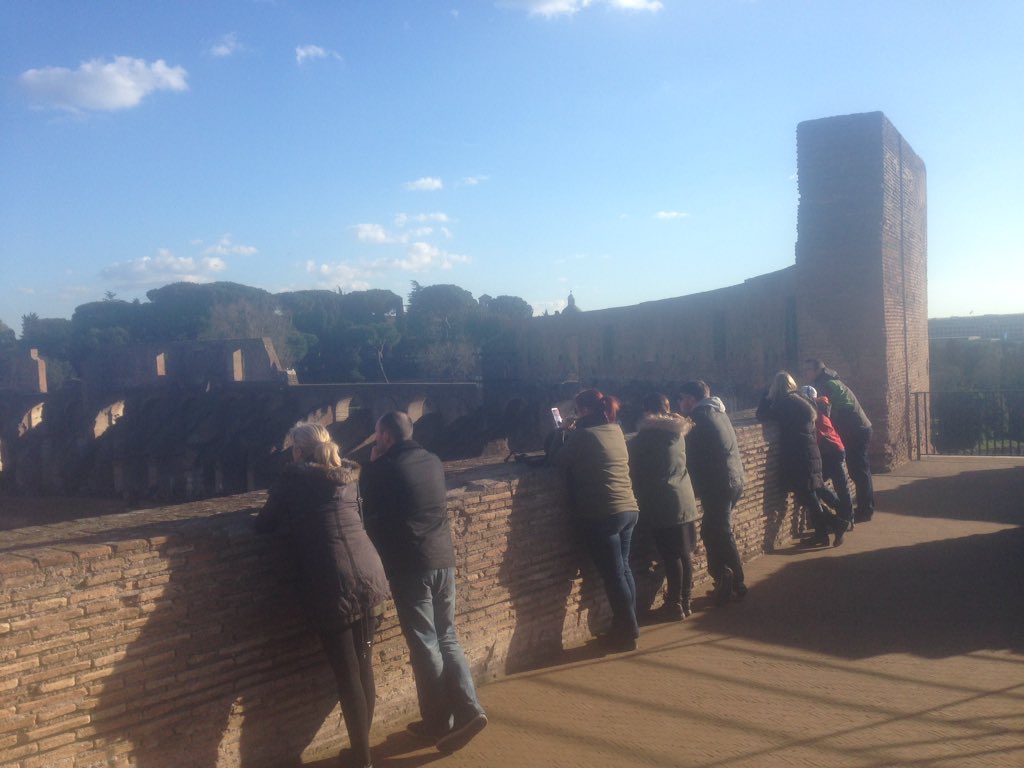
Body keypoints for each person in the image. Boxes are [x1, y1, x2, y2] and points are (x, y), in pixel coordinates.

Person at [255, 422, 389, 768]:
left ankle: (362, 761)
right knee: (363, 665)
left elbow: (264, 524)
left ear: (299, 451)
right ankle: (362, 752)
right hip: (370, 572)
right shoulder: (348, 477)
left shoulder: (294, 479)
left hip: (334, 582)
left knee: (348, 676)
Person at [358, 411, 487, 754]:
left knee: (425, 644)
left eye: (376, 436)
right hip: (443, 559)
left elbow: (365, 508)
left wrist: (371, 466)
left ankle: (439, 723)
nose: (374, 441)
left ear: (385, 437)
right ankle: (469, 709)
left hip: (411, 565)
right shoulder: (432, 460)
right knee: (446, 635)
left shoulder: (384, 469)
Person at [550, 388, 641, 651]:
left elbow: (557, 461)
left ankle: (627, 632)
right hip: (628, 509)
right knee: (624, 570)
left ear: (585, 411)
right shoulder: (616, 430)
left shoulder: (583, 435)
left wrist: (561, 432)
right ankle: (629, 625)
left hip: (603, 512)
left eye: (577, 410)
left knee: (614, 576)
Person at [628, 392, 699, 621]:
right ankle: (685, 601)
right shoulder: (677, 432)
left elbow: (629, 458)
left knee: (671, 556)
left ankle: (674, 605)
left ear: (648, 411)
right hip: (683, 498)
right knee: (684, 553)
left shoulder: (649, 436)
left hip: (664, 502)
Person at [675, 380, 747, 606]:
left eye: (681, 398)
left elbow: (691, 453)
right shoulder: (719, 412)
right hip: (732, 479)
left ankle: (735, 581)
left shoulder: (700, 418)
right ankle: (724, 579)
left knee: (720, 532)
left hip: (719, 483)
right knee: (712, 530)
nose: (679, 403)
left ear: (690, 399)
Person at [757, 373, 847, 547]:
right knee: (810, 493)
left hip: (798, 454)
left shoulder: (785, 403)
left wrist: (766, 395)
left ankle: (836, 525)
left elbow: (761, 415)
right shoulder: (802, 399)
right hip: (809, 450)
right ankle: (825, 532)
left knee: (807, 496)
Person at [802, 359, 875, 522]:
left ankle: (864, 510)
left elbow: (826, 410)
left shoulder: (824, 385)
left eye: (807, 370)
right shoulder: (832, 380)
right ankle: (863, 508)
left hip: (856, 430)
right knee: (860, 471)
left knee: (858, 471)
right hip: (859, 428)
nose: (805, 373)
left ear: (817, 370)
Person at [803, 385, 855, 531]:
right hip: (836, 447)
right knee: (838, 485)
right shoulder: (822, 407)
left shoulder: (812, 411)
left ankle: (842, 518)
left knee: (818, 485)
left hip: (829, 450)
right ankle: (846, 517)